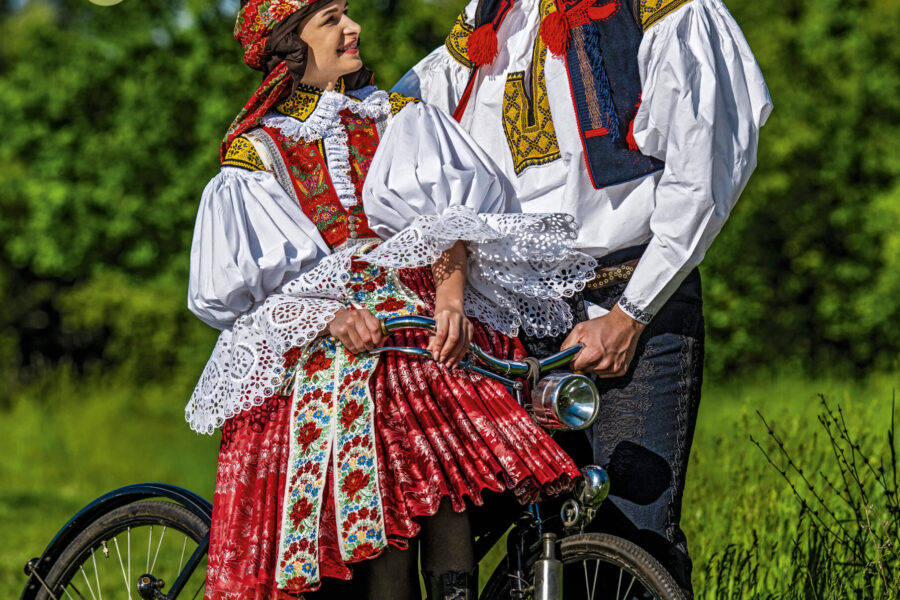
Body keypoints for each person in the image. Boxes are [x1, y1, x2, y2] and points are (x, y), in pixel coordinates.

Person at [185, 1, 599, 598]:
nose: (352, 28)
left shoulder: (397, 117)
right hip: (326, 338)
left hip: (411, 312)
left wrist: (451, 298)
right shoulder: (257, 152)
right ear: (289, 44)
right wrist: (329, 313)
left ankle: (454, 590)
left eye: (347, 13)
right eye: (330, 19)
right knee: (381, 452)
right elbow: (247, 285)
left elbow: (443, 218)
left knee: (437, 446)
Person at [394, 0, 772, 596]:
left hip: (628, 295)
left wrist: (631, 314)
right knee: (522, 534)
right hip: (514, 312)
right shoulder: (491, 15)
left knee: (632, 529)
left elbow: (706, 165)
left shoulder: (661, 9)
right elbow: (412, 111)